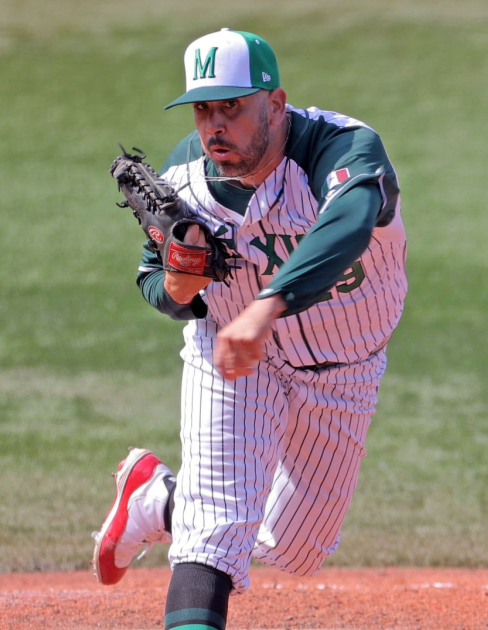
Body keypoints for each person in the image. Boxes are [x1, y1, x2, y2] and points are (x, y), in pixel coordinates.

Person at [91, 28, 406, 630]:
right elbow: (157, 285)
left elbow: (348, 224)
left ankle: (158, 500)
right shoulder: (186, 179)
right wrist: (180, 284)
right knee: (214, 535)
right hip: (232, 360)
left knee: (294, 547)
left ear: (277, 103)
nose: (215, 126)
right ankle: (196, 515)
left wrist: (267, 306)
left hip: (345, 368)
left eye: (232, 107)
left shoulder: (344, 149)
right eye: (204, 109)